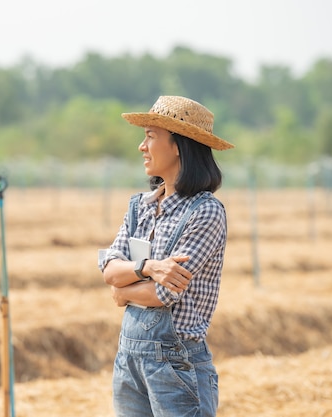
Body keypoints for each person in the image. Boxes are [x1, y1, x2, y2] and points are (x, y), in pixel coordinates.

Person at [98, 95, 234, 417]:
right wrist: (148, 266)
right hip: (129, 360)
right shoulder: (140, 207)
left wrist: (123, 291)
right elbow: (108, 268)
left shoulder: (206, 212)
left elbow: (163, 292)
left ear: (178, 146)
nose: (141, 146)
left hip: (176, 364)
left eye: (150, 136)